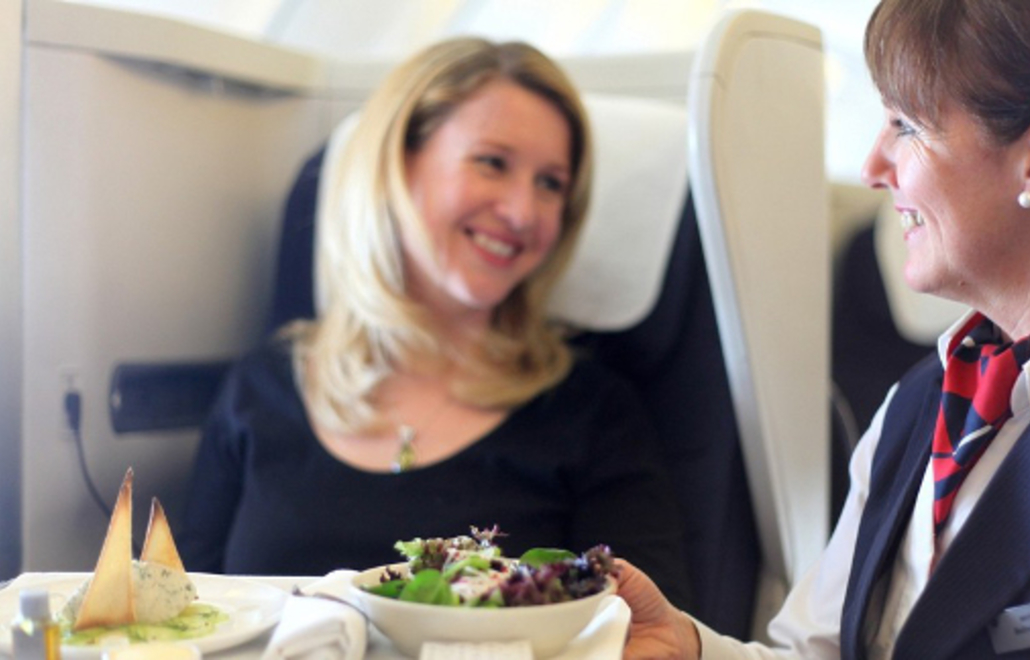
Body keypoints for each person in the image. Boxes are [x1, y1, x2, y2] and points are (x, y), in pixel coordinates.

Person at [617, 0, 1030, 657]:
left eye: (906, 126)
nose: (873, 166)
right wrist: (691, 649)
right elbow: (824, 650)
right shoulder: (924, 400)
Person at [177, 37, 691, 607]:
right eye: (493, 163)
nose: (523, 212)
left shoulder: (593, 417)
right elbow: (190, 616)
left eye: (551, 183)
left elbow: (649, 634)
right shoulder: (262, 388)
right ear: (397, 164)